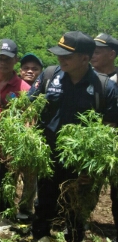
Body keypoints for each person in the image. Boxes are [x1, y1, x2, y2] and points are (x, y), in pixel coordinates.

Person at [29, 31, 118, 242]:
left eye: (67, 56)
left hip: (80, 167)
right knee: (43, 209)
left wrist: (92, 168)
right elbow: (27, 108)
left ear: (85, 58)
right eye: (59, 54)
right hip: (48, 159)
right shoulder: (50, 76)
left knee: (76, 216)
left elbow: (110, 128)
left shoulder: (105, 87)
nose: (60, 59)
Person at [0, 39, 30, 213]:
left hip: (7, 146)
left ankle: (3, 214)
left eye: (7, 59)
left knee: (5, 181)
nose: (3, 62)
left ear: (16, 60)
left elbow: (28, 119)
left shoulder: (24, 88)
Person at [90, 33, 118, 240]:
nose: (93, 55)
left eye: (97, 51)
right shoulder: (85, 77)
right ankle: (76, 223)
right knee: (87, 185)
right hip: (89, 144)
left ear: (112, 54)